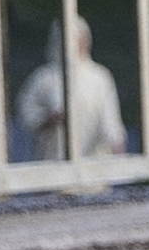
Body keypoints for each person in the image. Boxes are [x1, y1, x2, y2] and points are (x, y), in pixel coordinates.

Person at [18, 14, 128, 160]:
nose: (80, 44)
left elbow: (110, 121)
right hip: (53, 161)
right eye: (74, 39)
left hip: (92, 162)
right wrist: (48, 118)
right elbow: (25, 112)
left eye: (82, 38)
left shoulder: (99, 77)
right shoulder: (44, 78)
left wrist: (118, 149)